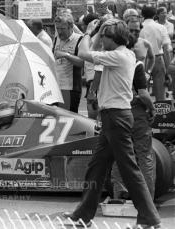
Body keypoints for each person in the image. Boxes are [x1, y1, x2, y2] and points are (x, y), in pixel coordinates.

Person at [62, 19, 161, 229]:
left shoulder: (118, 55)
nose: (102, 40)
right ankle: (83, 215)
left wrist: (90, 32)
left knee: (129, 169)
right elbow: (93, 53)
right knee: (96, 168)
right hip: (113, 117)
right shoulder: (121, 54)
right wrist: (101, 31)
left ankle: (149, 219)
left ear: (114, 39)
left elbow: (84, 53)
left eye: (105, 36)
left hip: (116, 117)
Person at [111, 34, 156, 200]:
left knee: (120, 154)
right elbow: (143, 94)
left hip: (117, 110)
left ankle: (119, 194)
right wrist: (152, 108)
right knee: (144, 155)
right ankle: (147, 198)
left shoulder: (110, 63)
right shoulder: (136, 64)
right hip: (135, 110)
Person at [53, 13, 84, 113]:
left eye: (63, 28)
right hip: (56, 87)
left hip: (70, 88)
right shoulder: (56, 38)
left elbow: (83, 63)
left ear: (71, 27)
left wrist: (66, 55)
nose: (60, 32)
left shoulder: (80, 39)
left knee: (68, 118)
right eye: (58, 28)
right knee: (56, 118)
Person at [140, 6, 172, 101]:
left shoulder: (139, 27)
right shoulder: (161, 27)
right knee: (160, 90)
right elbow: (166, 49)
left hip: (142, 60)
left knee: (142, 90)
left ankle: (145, 113)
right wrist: (168, 68)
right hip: (158, 58)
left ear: (142, 15)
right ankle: (161, 114)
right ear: (155, 15)